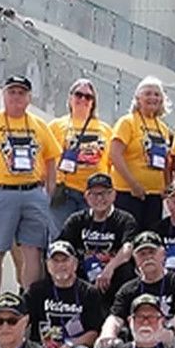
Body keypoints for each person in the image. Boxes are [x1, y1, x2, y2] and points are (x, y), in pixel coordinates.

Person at [0, 75, 62, 299]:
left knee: (33, 250)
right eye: (12, 92)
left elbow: (50, 159)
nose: (16, 97)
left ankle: (30, 299)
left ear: (29, 97)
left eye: (21, 93)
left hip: (32, 192)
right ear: (4, 95)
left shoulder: (38, 125)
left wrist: (49, 190)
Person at [25, 241, 104, 348]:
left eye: (65, 260)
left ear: (75, 264)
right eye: (55, 261)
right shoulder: (37, 290)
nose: (60, 265)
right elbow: (22, 321)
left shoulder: (88, 292)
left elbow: (93, 333)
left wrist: (67, 346)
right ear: (47, 265)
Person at [100, 233, 175, 344]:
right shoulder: (128, 289)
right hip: (137, 345)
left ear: (163, 254)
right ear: (135, 259)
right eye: (142, 254)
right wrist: (108, 334)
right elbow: (115, 318)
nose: (148, 257)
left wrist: (169, 330)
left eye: (152, 252)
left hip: (171, 342)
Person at [108, 76, 174, 227]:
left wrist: (166, 185)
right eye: (148, 93)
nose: (153, 98)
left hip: (154, 194)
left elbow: (165, 160)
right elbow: (115, 154)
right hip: (128, 192)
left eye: (157, 94)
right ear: (138, 98)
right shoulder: (127, 122)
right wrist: (133, 184)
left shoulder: (162, 127)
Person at [49, 78, 112, 233]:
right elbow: (45, 157)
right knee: (62, 237)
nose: (83, 99)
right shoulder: (56, 126)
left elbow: (112, 161)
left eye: (88, 97)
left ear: (93, 102)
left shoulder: (105, 129)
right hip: (64, 193)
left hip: (95, 193)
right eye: (79, 95)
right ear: (70, 98)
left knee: (90, 238)